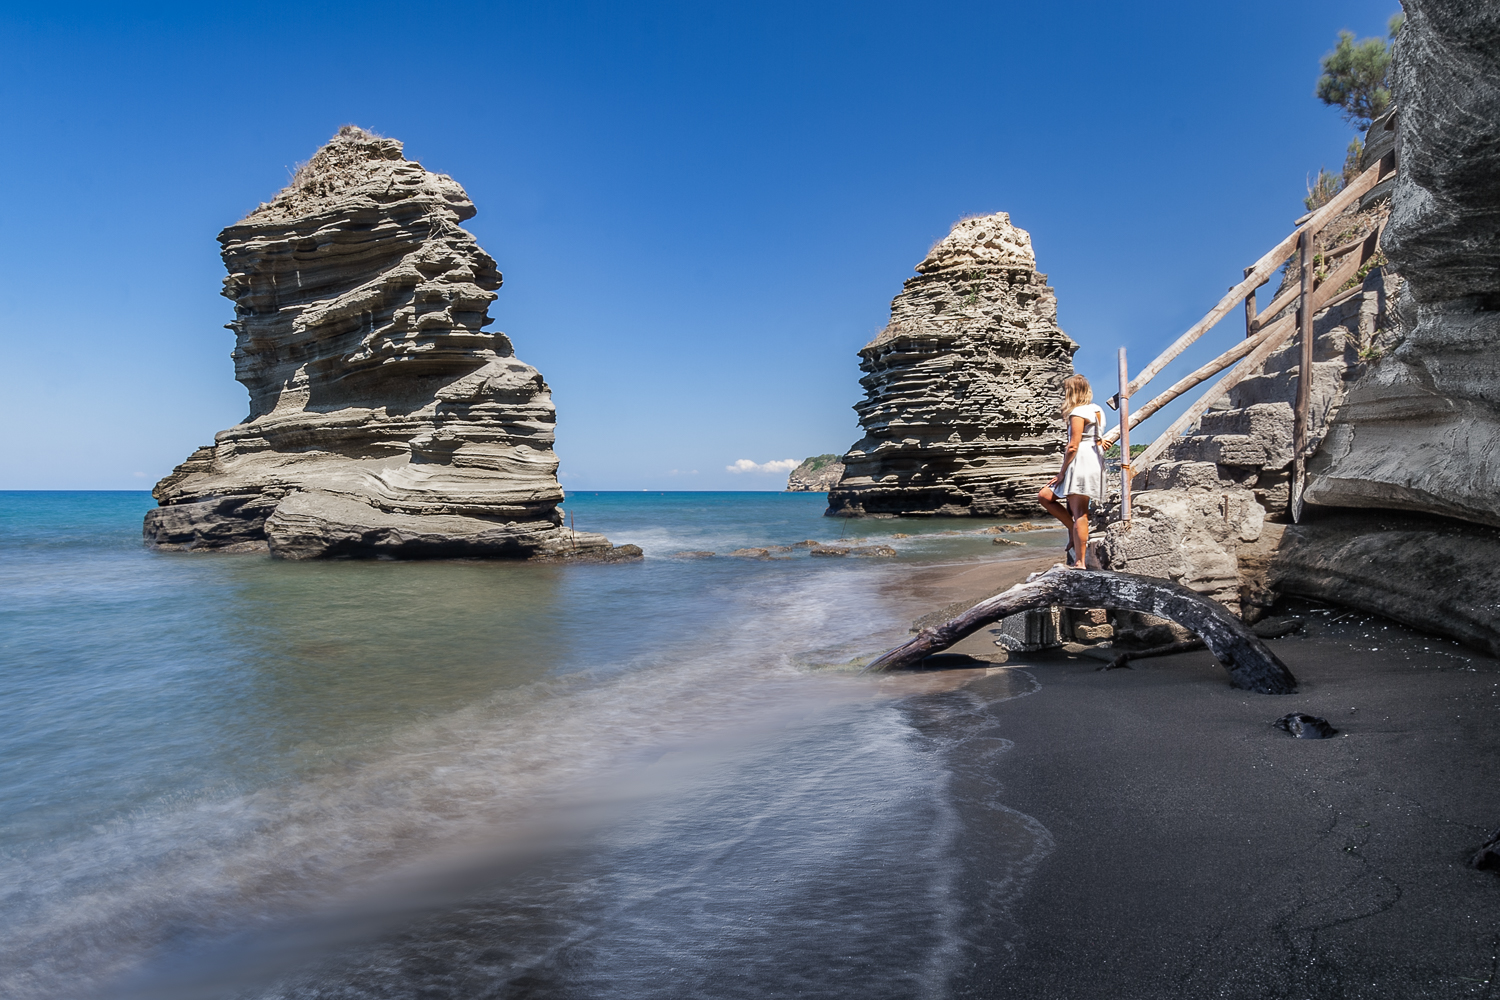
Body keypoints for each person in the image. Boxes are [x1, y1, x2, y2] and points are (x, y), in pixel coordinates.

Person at [1037, 374, 1107, 569]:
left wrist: (1061, 472)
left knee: (1080, 514)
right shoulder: (1097, 409)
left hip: (1081, 462)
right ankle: (1072, 530)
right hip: (1093, 460)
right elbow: (1096, 436)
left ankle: (1080, 562)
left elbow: (1072, 447)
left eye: (1066, 390)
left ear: (1073, 392)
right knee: (1044, 496)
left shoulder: (1078, 412)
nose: (1064, 393)